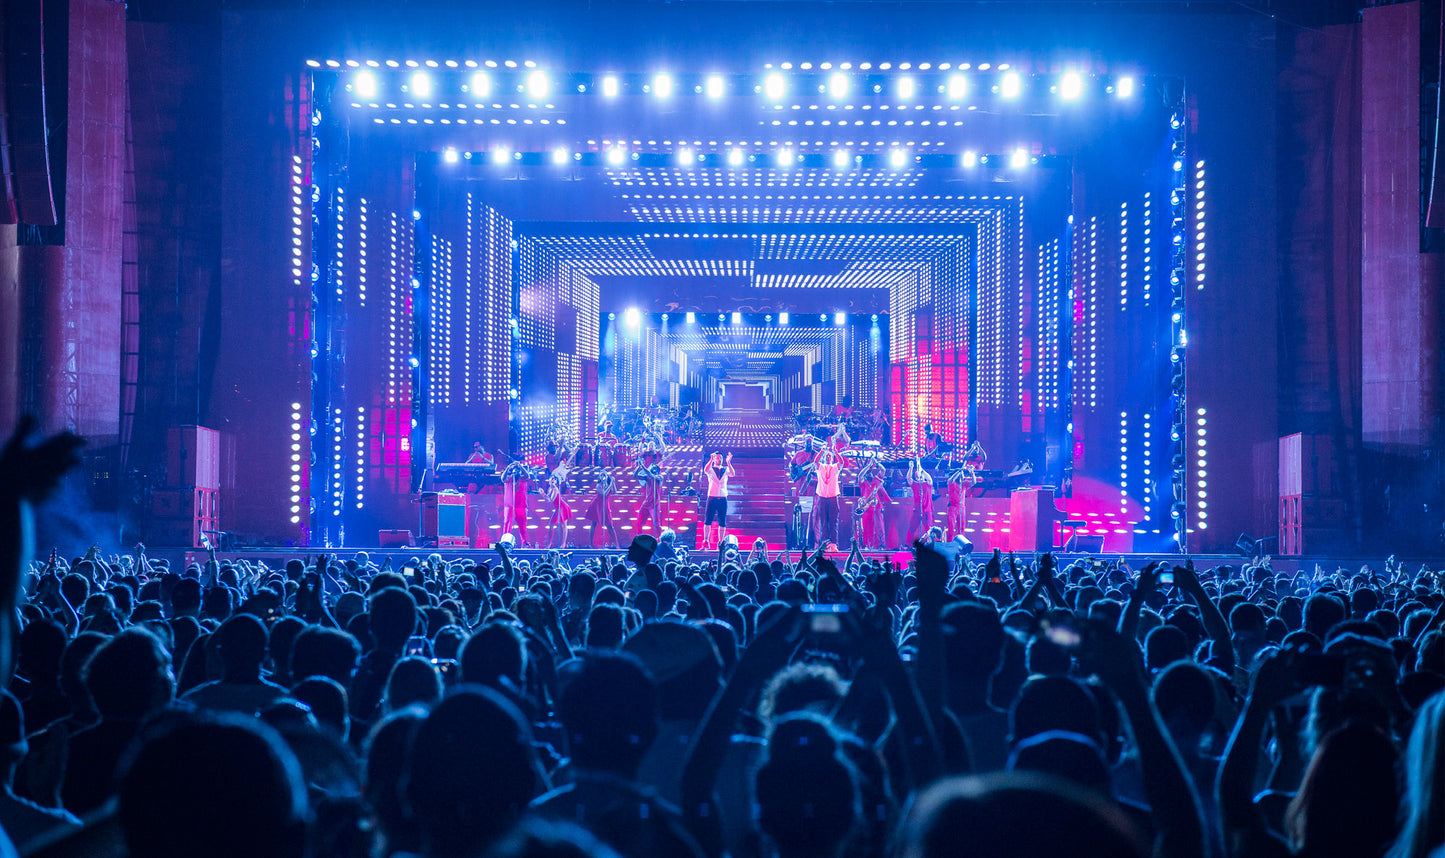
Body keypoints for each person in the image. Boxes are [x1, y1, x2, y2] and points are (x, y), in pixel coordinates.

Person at [700, 452, 736, 551]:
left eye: (721, 458)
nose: (719, 459)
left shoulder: (725, 469)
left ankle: (720, 543)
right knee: (708, 520)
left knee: (722, 522)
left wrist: (729, 463)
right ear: (715, 459)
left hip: (723, 498)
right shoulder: (711, 469)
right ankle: (705, 541)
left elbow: (732, 474)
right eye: (717, 458)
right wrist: (711, 460)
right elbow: (705, 470)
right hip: (712, 497)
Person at [812, 448, 844, 550]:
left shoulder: (835, 467)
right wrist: (822, 451)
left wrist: (835, 452)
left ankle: (834, 545)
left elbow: (841, 462)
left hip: (833, 497)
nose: (828, 457)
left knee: (833, 523)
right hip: (822, 497)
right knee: (824, 523)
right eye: (827, 456)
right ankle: (825, 545)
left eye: (830, 456)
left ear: (832, 458)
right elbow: (815, 461)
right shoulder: (820, 467)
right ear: (824, 458)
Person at [857, 458, 892, 550]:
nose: (869, 474)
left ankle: (881, 546)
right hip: (866, 507)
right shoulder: (863, 483)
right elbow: (860, 475)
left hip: (877, 506)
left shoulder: (876, 480)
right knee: (866, 527)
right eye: (868, 472)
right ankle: (866, 545)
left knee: (879, 526)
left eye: (870, 472)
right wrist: (868, 466)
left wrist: (876, 463)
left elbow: (883, 470)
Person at [501, 458, 533, 548]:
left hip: (521, 506)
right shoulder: (509, 479)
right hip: (509, 506)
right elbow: (502, 478)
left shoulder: (523, 479)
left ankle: (524, 542)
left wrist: (520, 466)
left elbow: (528, 476)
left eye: (517, 470)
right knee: (507, 524)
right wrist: (508, 468)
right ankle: (506, 542)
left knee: (522, 525)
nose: (515, 471)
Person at [585, 470, 622, 548]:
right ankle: (591, 544)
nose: (602, 477)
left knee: (610, 525)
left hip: (605, 506)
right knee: (593, 524)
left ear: (606, 476)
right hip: (596, 505)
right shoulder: (598, 485)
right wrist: (611, 484)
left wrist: (613, 483)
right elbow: (604, 494)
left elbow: (614, 492)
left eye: (604, 475)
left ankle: (616, 544)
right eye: (601, 476)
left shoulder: (609, 484)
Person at [635, 450, 667, 538]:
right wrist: (638, 468)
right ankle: (639, 539)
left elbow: (651, 474)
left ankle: (662, 541)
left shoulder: (659, 477)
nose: (653, 469)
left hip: (654, 504)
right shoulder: (647, 477)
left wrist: (643, 466)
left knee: (657, 525)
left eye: (655, 469)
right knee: (639, 522)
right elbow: (635, 476)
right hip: (646, 502)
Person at [907, 450, 936, 544]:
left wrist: (921, 468)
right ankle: (908, 544)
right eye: (918, 477)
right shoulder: (915, 485)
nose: (920, 479)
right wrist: (911, 468)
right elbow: (908, 479)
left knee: (929, 528)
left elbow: (929, 479)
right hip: (917, 509)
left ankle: (931, 545)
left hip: (927, 510)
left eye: (921, 477)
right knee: (912, 527)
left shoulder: (927, 484)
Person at [946, 460, 978, 540]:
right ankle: (950, 544)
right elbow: (951, 479)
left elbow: (974, 482)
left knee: (962, 528)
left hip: (961, 507)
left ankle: (961, 544)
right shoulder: (951, 483)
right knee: (951, 528)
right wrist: (960, 470)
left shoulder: (964, 484)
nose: (963, 476)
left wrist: (972, 473)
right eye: (962, 474)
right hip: (952, 507)